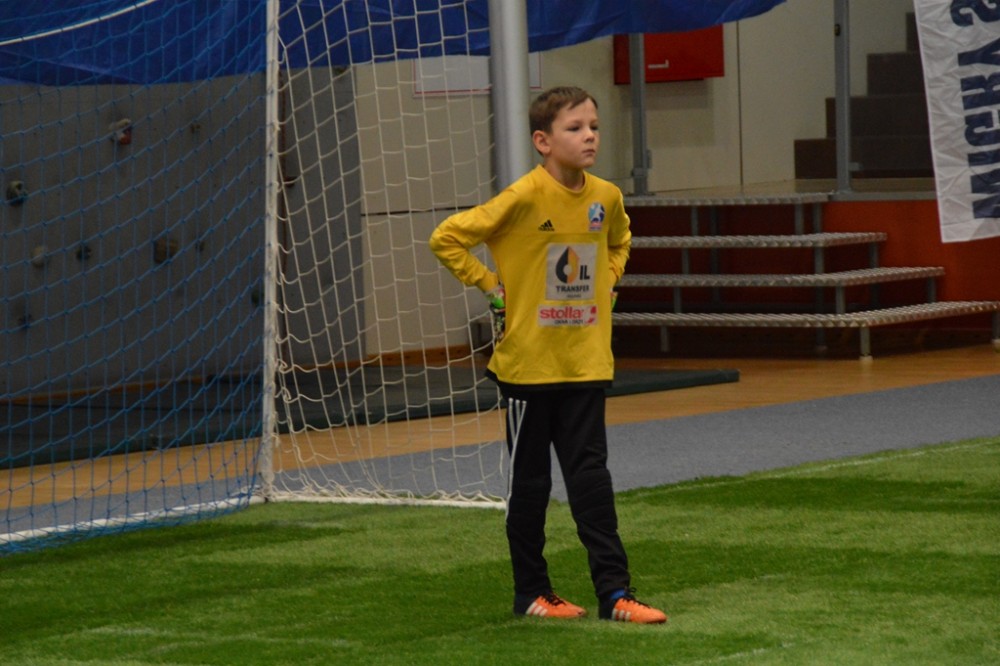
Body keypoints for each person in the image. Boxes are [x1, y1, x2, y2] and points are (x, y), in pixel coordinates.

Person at [429, 86, 667, 624]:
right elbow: (446, 238)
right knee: (531, 487)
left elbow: (620, 241)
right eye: (575, 128)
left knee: (592, 482)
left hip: (585, 363)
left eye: (594, 127)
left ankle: (615, 594)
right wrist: (491, 286)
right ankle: (532, 593)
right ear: (543, 141)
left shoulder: (606, 197)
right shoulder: (522, 197)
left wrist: (606, 280)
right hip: (528, 370)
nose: (589, 137)